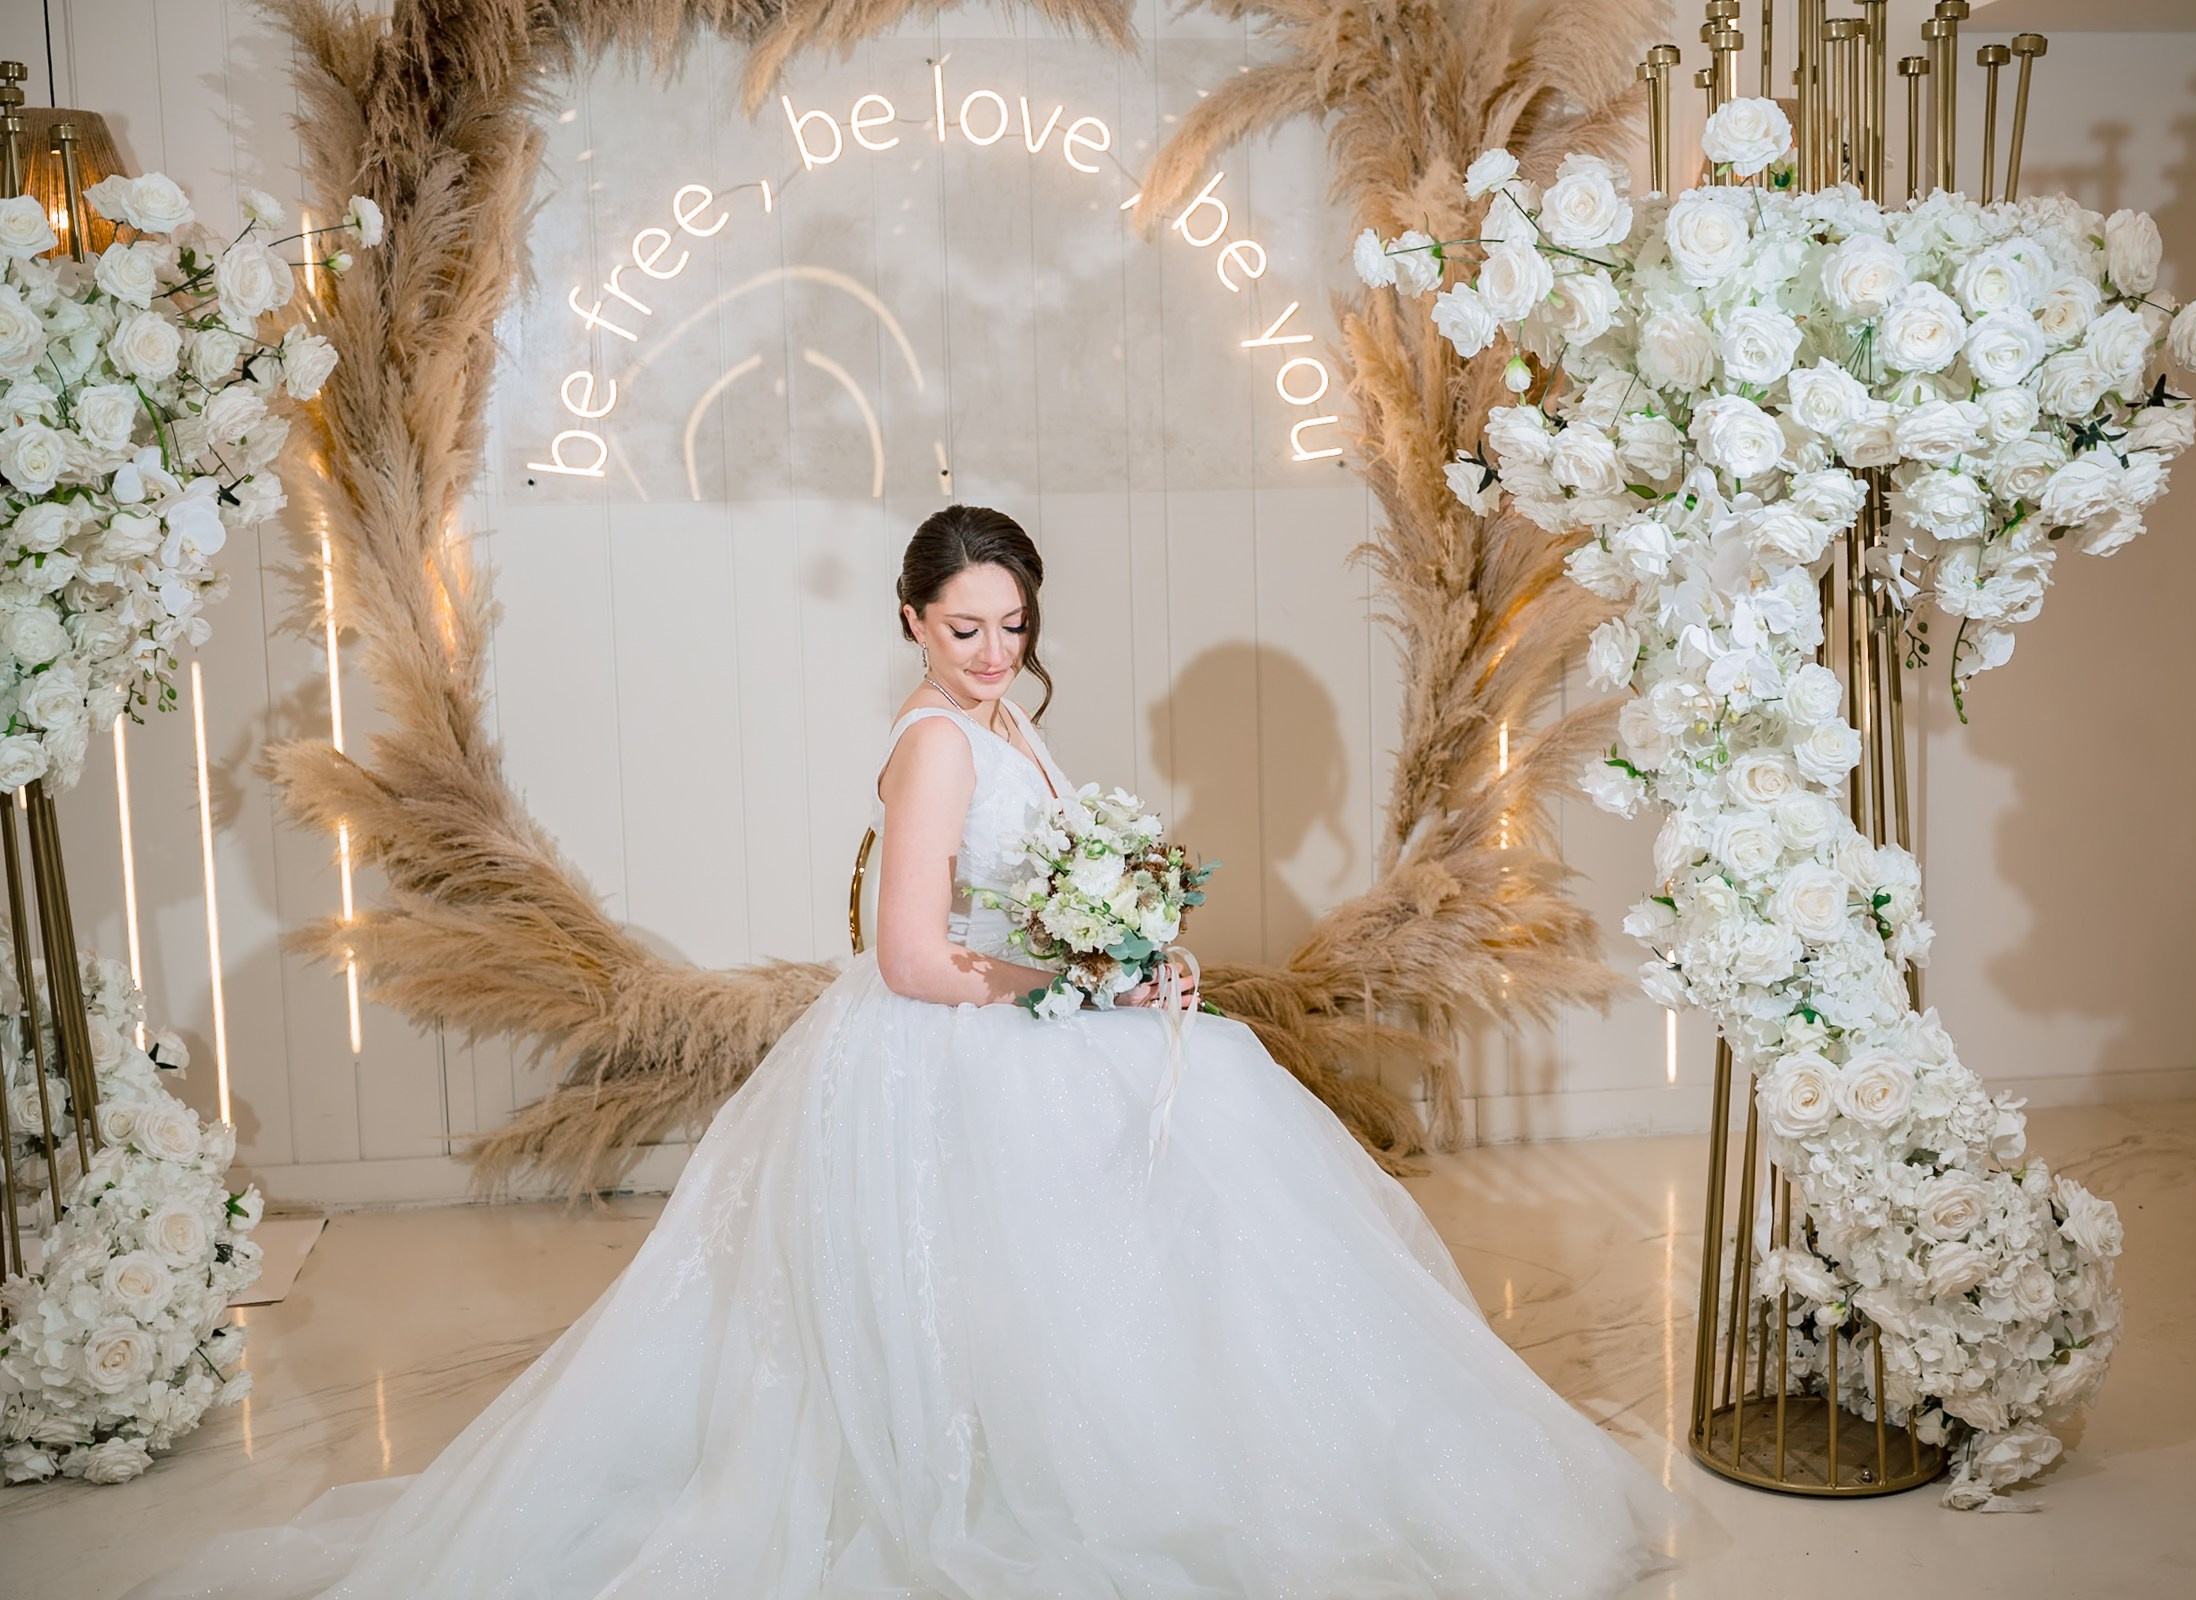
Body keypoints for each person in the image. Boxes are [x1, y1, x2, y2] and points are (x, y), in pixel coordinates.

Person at [128, 505, 1677, 1598]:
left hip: (1043, 1010)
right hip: (949, 1042)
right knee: (997, 1304)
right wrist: (1069, 974)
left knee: (1179, 1268)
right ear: (912, 624)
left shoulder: (1009, 728)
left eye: (1012, 627)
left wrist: (1138, 953)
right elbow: (913, 957)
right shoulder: (933, 745)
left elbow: (1043, 894)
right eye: (965, 627)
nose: (992, 651)